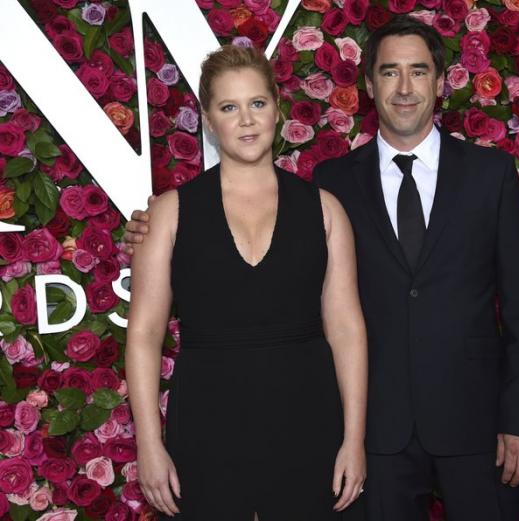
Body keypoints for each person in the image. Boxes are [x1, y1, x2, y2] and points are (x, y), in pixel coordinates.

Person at [126, 16, 519, 521]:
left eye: (418, 71)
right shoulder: (334, 183)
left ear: (440, 82)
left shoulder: (487, 175)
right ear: (370, 86)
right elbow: (154, 325)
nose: (405, 86)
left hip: (467, 425)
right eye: (390, 72)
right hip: (363, 433)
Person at [124, 44, 367, 520]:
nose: (247, 120)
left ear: (276, 107)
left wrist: (354, 440)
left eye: (257, 103)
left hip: (309, 419)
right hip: (206, 423)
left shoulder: (325, 210)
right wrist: (149, 445)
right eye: (229, 108)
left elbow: (347, 330)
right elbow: (144, 335)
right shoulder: (170, 213)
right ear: (209, 121)